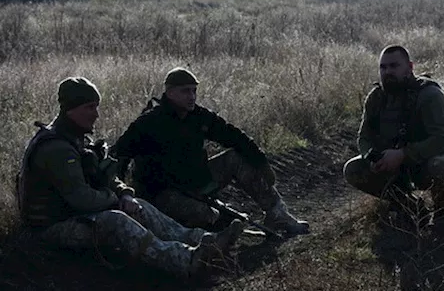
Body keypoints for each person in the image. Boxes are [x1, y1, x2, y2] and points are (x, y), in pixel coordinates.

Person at [17, 77, 245, 278]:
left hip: (75, 216)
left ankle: (204, 241)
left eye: (96, 106)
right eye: (89, 107)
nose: (96, 113)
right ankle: (187, 261)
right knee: (116, 220)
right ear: (71, 109)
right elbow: (81, 199)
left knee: (139, 207)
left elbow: (104, 176)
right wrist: (115, 200)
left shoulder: (76, 139)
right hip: (50, 229)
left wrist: (125, 193)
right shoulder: (57, 148)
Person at [110, 67, 309, 237]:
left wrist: (261, 163)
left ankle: (278, 215)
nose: (192, 97)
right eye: (186, 91)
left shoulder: (199, 116)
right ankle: (202, 233)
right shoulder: (148, 123)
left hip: (197, 182)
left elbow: (234, 136)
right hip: (163, 194)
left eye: (194, 91)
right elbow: (118, 156)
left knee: (234, 158)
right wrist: (123, 196)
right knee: (207, 215)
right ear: (169, 93)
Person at [344, 45, 444, 227]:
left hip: (432, 163)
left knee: (440, 164)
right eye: (383, 67)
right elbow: (364, 137)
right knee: (353, 169)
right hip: (398, 166)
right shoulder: (377, 98)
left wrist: (402, 154)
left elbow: (442, 141)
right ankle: (409, 207)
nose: (387, 72)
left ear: (410, 67)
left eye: (394, 66)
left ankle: (443, 213)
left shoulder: (430, 96)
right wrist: (372, 157)